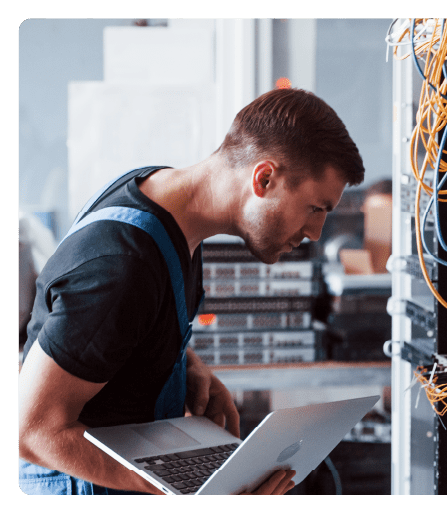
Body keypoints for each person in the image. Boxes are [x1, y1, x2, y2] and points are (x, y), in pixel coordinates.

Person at [18, 88, 365, 495]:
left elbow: (118, 327)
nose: (315, 233)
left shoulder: (166, 207)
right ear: (264, 177)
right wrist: (195, 490)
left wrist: (182, 364)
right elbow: (30, 431)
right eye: (315, 208)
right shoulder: (124, 263)